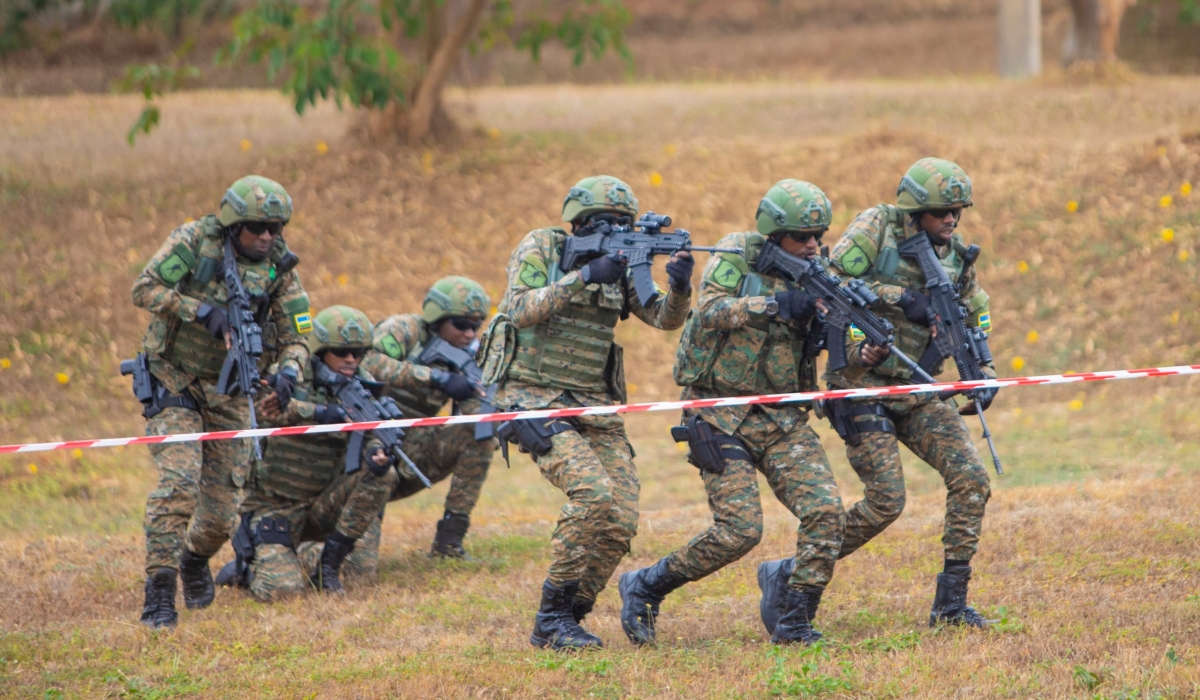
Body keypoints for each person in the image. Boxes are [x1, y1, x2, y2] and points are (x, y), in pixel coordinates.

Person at [619, 180, 846, 646]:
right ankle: (646, 585)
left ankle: (794, 616)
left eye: (817, 236)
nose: (812, 246)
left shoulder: (819, 271)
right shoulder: (737, 253)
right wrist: (776, 303)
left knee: (826, 511)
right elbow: (710, 311)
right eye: (802, 237)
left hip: (782, 417)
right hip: (717, 410)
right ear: (775, 232)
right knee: (740, 531)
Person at [480, 175, 693, 650]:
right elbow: (518, 309)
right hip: (532, 397)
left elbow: (663, 318)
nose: (618, 230)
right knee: (593, 494)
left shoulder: (627, 266)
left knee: (619, 518)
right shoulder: (542, 246)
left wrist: (679, 288)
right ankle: (550, 617)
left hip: (593, 405)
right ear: (579, 223)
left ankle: (573, 615)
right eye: (607, 223)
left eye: (625, 223)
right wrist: (584, 276)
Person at [816, 157, 996, 628]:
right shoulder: (876, 227)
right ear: (915, 211)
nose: (951, 221)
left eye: (957, 212)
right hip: (859, 384)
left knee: (972, 480)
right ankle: (794, 576)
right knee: (886, 503)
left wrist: (984, 367)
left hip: (916, 387)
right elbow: (828, 282)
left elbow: (975, 309)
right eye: (941, 213)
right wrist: (901, 299)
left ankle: (951, 604)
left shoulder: (956, 256)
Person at [130, 175, 311, 628]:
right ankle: (160, 592)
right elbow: (144, 288)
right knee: (179, 484)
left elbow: (298, 337)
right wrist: (200, 311)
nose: (265, 236)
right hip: (175, 379)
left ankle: (194, 558)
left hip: (231, 391)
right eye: (255, 228)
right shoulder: (194, 241)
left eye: (273, 228)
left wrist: (289, 373)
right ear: (232, 224)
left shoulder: (280, 269)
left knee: (222, 513)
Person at [215, 306, 400, 600]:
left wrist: (378, 453)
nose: (351, 359)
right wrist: (326, 413)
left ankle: (328, 563)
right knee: (283, 591)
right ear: (320, 350)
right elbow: (266, 409)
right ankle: (248, 569)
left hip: (323, 503)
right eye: (342, 351)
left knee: (383, 477)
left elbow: (375, 435)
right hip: (275, 506)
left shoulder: (364, 386)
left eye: (358, 352)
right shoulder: (289, 377)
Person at [341, 275, 495, 571]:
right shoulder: (404, 329)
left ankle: (450, 541)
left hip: (414, 456)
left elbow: (481, 410)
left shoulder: (470, 355)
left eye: (475, 326)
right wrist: (435, 377)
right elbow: (368, 362)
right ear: (438, 318)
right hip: (369, 458)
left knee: (481, 434)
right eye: (461, 324)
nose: (469, 333)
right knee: (358, 570)